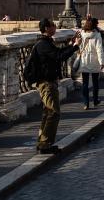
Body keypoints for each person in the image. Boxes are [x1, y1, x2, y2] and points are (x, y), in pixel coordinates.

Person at [30, 18, 81, 154]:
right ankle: (45, 144)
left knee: (48, 112)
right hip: (46, 82)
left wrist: (71, 44)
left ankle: (43, 142)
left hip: (49, 81)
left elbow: (57, 54)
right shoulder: (43, 44)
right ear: (46, 28)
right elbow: (58, 56)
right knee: (53, 112)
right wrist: (75, 47)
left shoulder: (47, 42)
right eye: (53, 25)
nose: (55, 27)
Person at [79, 17, 104, 110]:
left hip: (84, 60)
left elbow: (78, 47)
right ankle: (95, 100)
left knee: (85, 83)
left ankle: (86, 103)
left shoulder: (81, 34)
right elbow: (99, 50)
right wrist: (102, 62)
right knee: (95, 83)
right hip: (94, 61)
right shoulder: (97, 35)